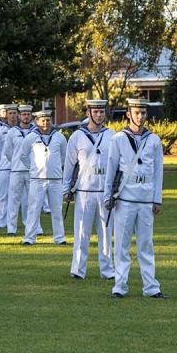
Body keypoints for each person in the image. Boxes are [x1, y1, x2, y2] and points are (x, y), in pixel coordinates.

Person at [104, 98, 166, 299]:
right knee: (121, 245)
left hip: (145, 201)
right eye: (136, 112)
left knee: (146, 245)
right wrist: (108, 196)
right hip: (125, 201)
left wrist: (157, 199)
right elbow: (111, 169)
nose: (140, 116)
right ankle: (119, 287)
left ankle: (151, 288)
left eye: (143, 113)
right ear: (128, 114)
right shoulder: (118, 139)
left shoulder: (154, 140)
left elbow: (158, 172)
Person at [63, 99, 115, 280]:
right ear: (88, 113)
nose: (99, 115)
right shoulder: (77, 136)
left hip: (105, 191)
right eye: (96, 112)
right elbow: (69, 164)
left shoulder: (113, 135)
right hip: (84, 190)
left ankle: (107, 270)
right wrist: (66, 188)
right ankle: (78, 269)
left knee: (106, 233)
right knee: (81, 232)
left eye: (102, 112)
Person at [19, 110, 67, 245]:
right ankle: (29, 238)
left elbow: (64, 156)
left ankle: (59, 238)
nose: (46, 123)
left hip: (56, 180)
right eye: (42, 120)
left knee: (57, 210)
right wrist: (33, 168)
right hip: (37, 179)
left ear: (51, 121)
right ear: (36, 122)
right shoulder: (31, 137)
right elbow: (23, 156)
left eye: (48, 120)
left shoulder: (59, 137)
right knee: (33, 209)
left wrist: (55, 167)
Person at [4, 104, 39, 237]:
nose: (26, 116)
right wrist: (16, 161)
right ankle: (11, 228)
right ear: (19, 116)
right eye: (23, 114)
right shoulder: (12, 132)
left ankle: (36, 227)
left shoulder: (36, 132)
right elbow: (8, 152)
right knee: (13, 200)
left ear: (31, 116)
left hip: (32, 171)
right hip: (16, 170)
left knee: (34, 200)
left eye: (28, 114)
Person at [0, 104, 18, 228]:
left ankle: (19, 222)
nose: (13, 116)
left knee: (21, 196)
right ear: (6, 115)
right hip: (5, 166)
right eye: (10, 113)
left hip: (19, 168)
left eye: (14, 113)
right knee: (3, 195)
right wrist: (5, 159)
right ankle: (1, 221)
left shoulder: (22, 130)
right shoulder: (1, 131)